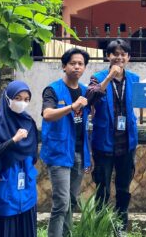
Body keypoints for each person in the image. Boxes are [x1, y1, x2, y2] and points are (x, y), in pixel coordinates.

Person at [86, 39, 139, 230]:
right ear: (108, 56)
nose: (119, 57)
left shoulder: (133, 78)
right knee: (103, 189)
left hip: (127, 143)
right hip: (104, 144)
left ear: (128, 57)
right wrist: (108, 78)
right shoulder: (97, 77)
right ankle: (101, 227)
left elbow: (145, 93)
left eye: (123, 54)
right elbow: (90, 96)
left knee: (124, 189)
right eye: (115, 54)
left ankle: (120, 227)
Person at [41, 48, 92, 237]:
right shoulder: (52, 89)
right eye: (72, 63)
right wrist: (72, 107)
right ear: (64, 66)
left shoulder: (85, 91)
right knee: (61, 202)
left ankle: (66, 234)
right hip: (59, 152)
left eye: (80, 64)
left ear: (85, 67)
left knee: (71, 201)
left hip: (79, 152)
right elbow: (47, 115)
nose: (76, 67)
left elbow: (101, 91)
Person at [0, 81, 38, 237]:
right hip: (3, 190)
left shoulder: (29, 123)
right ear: (7, 98)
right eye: (18, 98)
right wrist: (12, 141)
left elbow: (33, 155)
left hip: (26, 192)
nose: (22, 103)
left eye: (26, 99)